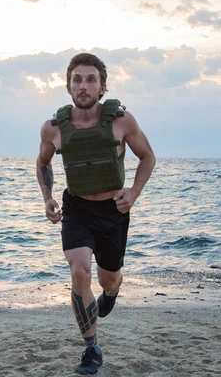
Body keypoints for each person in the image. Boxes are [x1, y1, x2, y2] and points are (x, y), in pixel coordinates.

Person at [36, 53, 156, 375]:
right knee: (79, 271)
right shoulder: (52, 128)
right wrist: (47, 198)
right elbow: (43, 162)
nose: (83, 85)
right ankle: (92, 349)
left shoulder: (121, 121)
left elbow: (147, 157)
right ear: (68, 85)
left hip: (112, 210)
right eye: (77, 79)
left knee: (109, 277)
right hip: (76, 207)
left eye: (91, 79)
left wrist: (132, 194)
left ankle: (112, 293)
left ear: (102, 87)